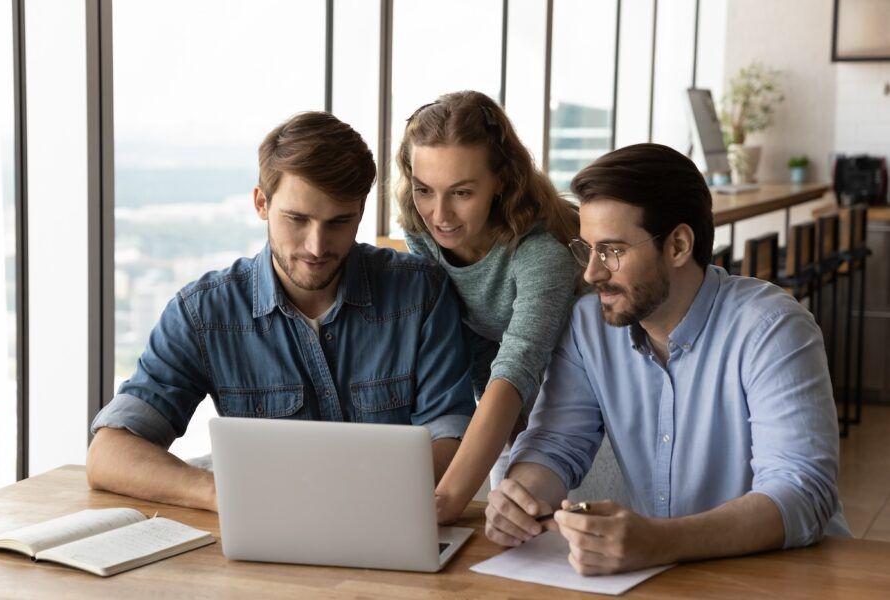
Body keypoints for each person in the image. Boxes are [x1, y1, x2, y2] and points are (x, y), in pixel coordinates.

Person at [485, 143, 850, 575]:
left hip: (784, 575)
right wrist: (520, 497)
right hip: (661, 576)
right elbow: (555, 445)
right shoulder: (589, 327)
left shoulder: (772, 328)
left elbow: (802, 494)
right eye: (588, 249)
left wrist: (660, 541)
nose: (592, 273)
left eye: (613, 250)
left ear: (678, 245)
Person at [86, 112, 475, 512]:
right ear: (261, 203)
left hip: (387, 529)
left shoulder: (420, 293)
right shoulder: (203, 313)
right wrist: (223, 494)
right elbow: (109, 454)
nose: (317, 246)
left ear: (360, 211)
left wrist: (341, 500)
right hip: (262, 539)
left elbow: (450, 440)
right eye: (297, 219)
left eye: (339, 222)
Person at [396, 90, 580, 523]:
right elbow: (460, 334)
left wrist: (443, 502)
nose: (439, 215)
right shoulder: (422, 233)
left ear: (502, 180)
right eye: (425, 190)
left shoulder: (542, 251)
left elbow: (519, 361)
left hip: (584, 404)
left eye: (461, 192)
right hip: (505, 408)